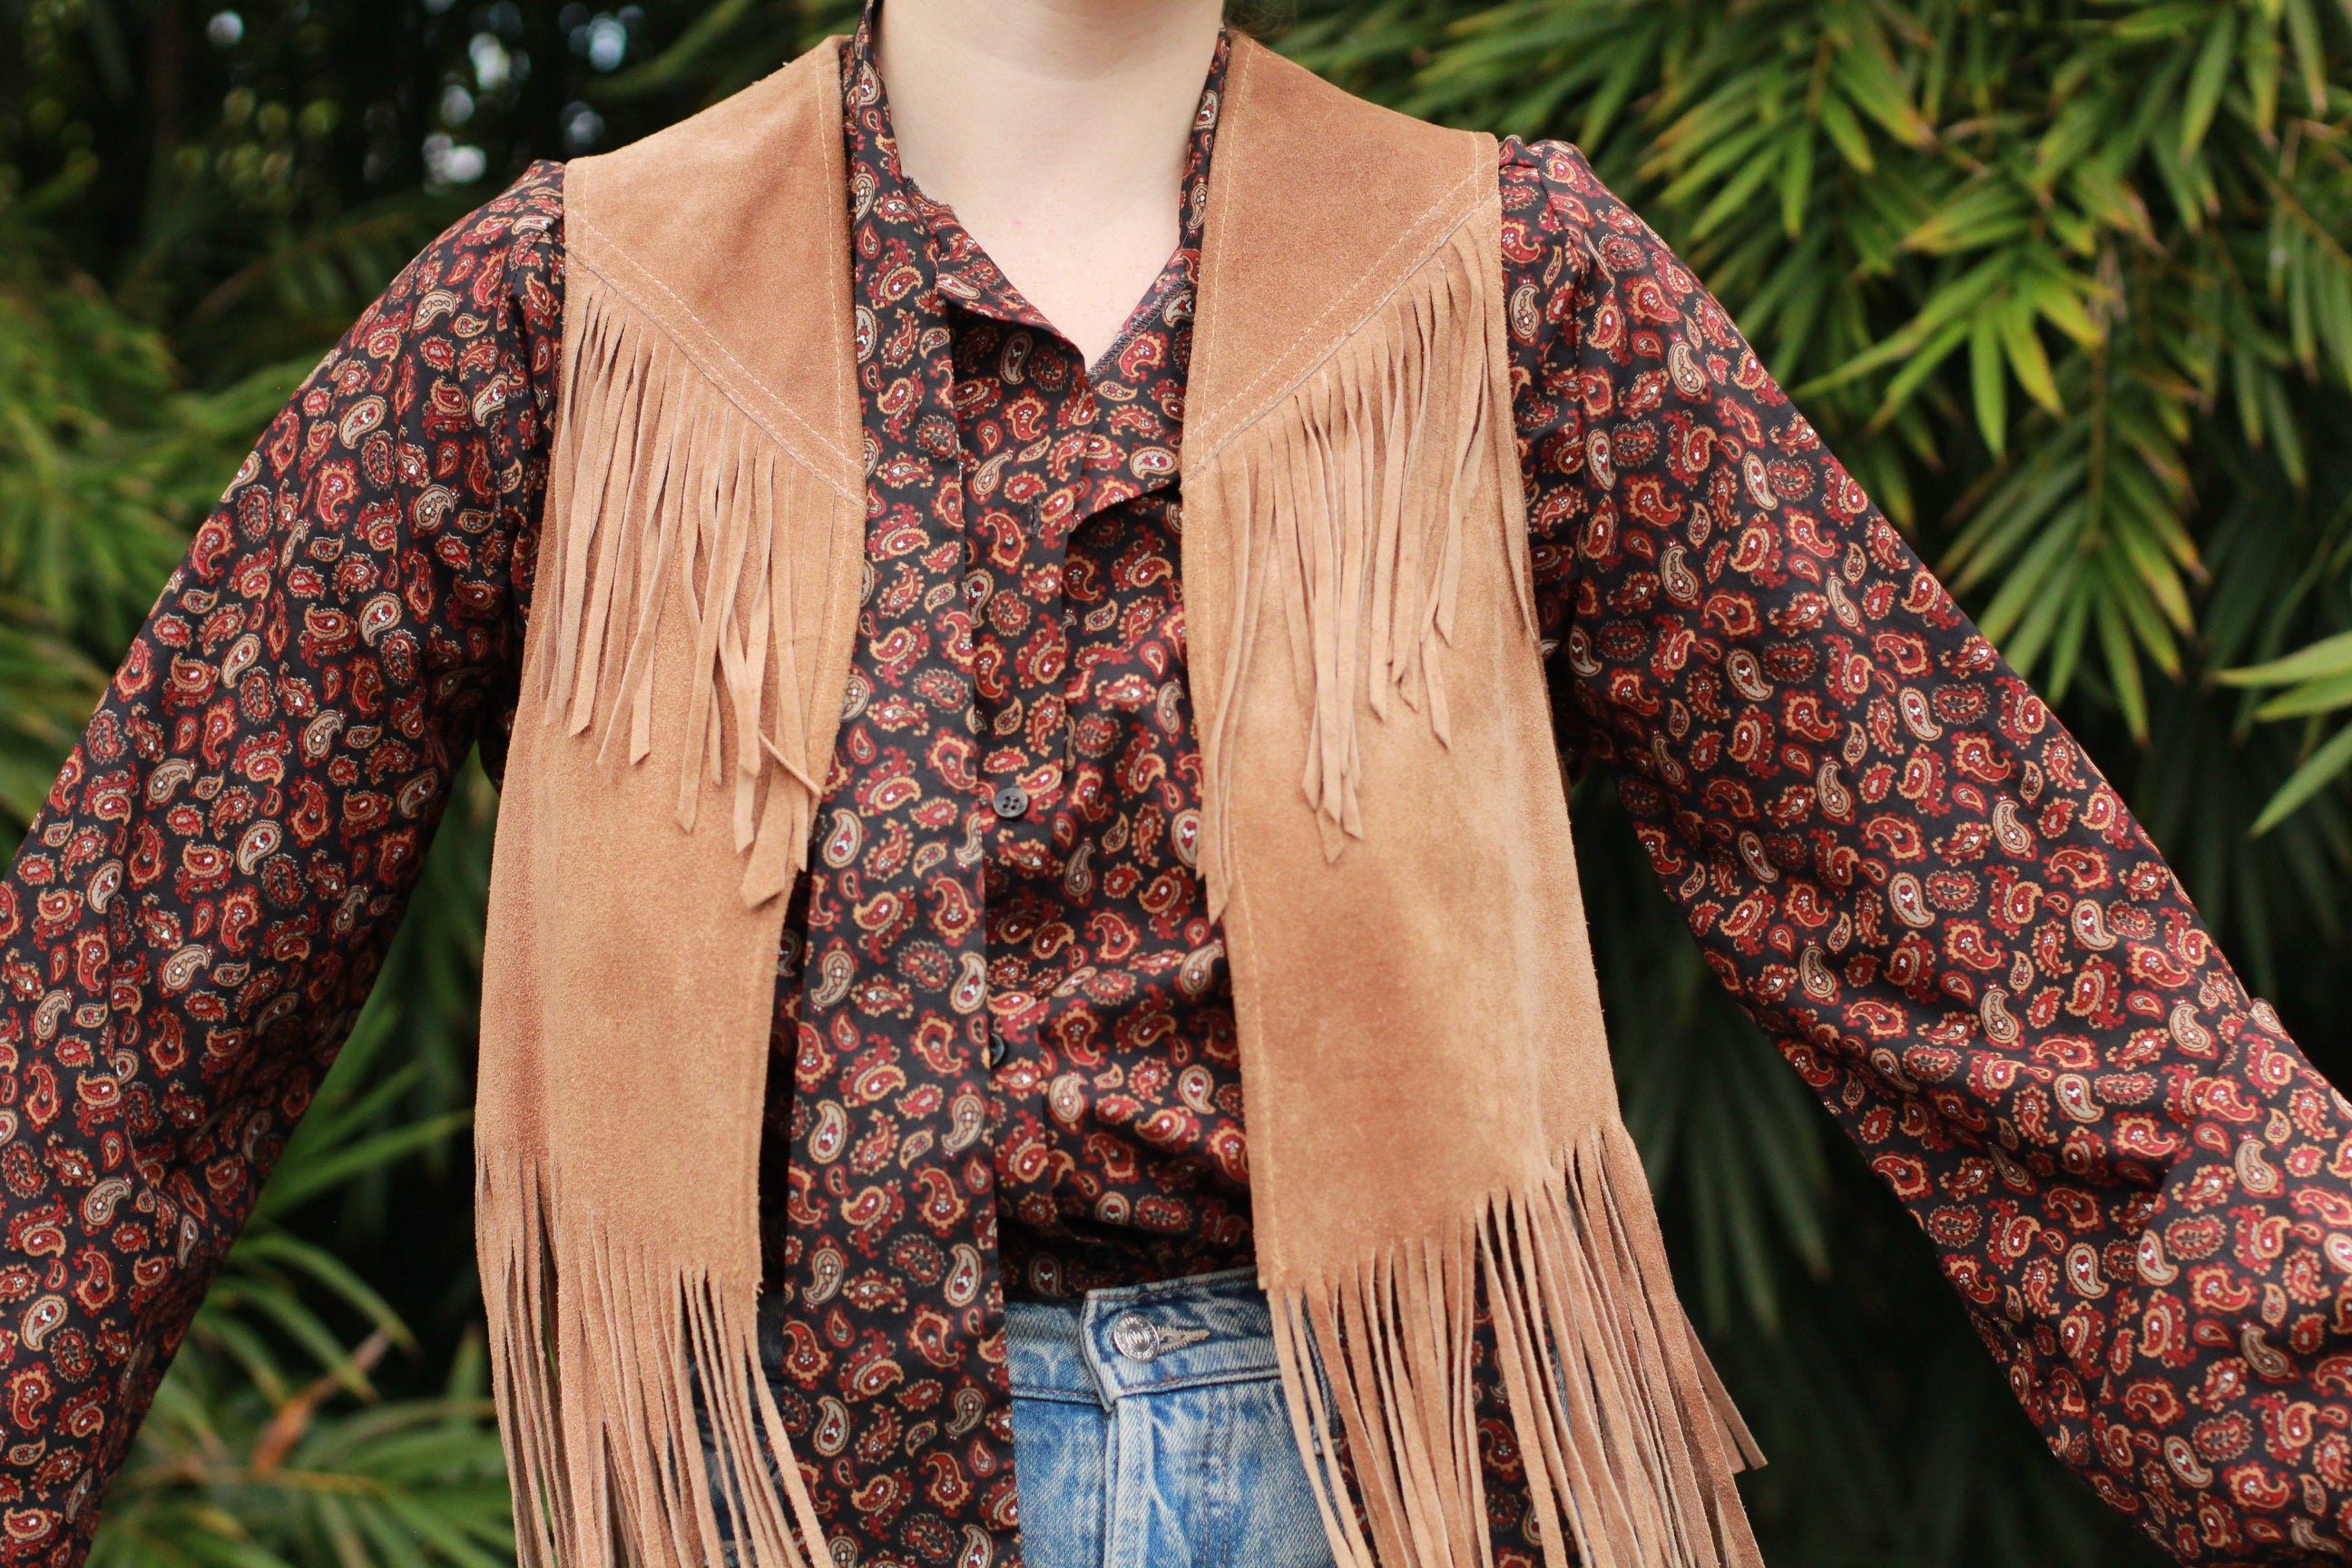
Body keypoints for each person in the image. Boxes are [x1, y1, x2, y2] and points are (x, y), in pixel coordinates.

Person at [1, 1, 2345, 1565]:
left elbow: (1963, 901)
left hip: (1382, 1467)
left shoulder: (1500, 277)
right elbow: (134, 985)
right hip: (786, 1481)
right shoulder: (565, 312)